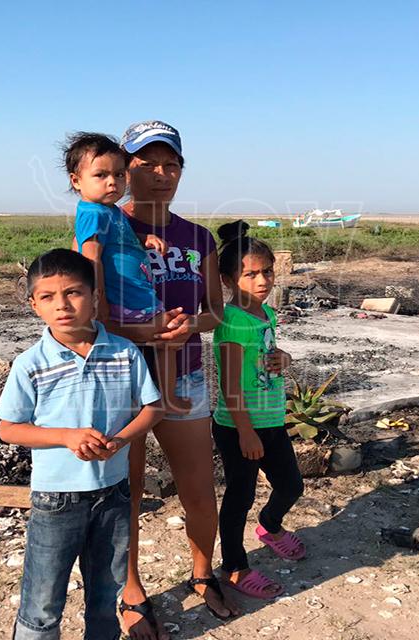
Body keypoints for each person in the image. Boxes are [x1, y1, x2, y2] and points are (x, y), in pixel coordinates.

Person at [0, 249, 165, 640]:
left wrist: (120, 440)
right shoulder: (30, 364)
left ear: (95, 297)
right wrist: (65, 436)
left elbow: (153, 409)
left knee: (106, 596)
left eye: (73, 292)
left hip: (113, 494)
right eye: (48, 296)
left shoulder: (124, 353)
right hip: (56, 499)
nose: (63, 305)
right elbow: (9, 428)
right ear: (34, 304)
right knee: (42, 604)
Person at [117, 120, 239, 639]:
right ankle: (130, 591)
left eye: (172, 165)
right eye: (148, 163)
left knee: (199, 488)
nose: (161, 174)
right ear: (126, 168)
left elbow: (216, 310)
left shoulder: (198, 238)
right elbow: (86, 309)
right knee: (127, 492)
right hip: (124, 382)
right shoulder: (105, 228)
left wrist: (191, 325)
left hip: (184, 377)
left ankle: (202, 572)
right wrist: (143, 331)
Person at [212, 221, 305, 599]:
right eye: (250, 274)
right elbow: (229, 384)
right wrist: (246, 432)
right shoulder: (232, 322)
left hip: (271, 418)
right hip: (239, 426)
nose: (262, 280)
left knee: (291, 485)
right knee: (240, 497)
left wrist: (284, 358)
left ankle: (269, 525)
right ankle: (234, 566)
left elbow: (268, 354)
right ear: (228, 279)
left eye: (267, 271)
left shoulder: (266, 314)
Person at [67, 132, 191, 415]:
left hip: (136, 295)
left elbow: (119, 240)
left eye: (119, 174)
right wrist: (99, 300)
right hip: (124, 298)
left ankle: (156, 398)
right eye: (101, 175)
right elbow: (91, 258)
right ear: (76, 181)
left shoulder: (110, 211)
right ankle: (163, 398)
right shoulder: (93, 213)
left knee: (159, 340)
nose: (112, 182)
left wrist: (145, 238)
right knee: (163, 338)